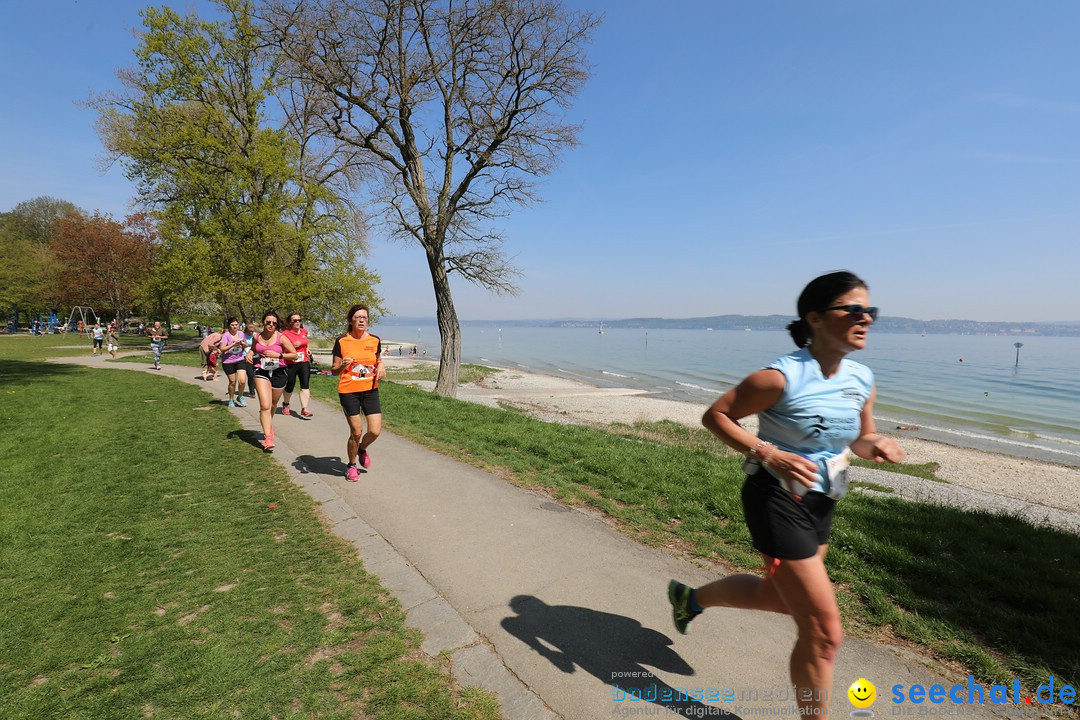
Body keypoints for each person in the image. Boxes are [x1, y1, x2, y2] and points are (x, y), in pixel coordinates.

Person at [666, 271, 904, 718]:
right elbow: (715, 415)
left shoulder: (862, 378)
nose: (866, 318)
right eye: (853, 310)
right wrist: (766, 450)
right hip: (776, 499)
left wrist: (877, 444)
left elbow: (859, 437)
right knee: (823, 632)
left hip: (822, 501)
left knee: (778, 597)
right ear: (814, 318)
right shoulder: (779, 378)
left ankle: (690, 599)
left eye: (870, 310)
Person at [331, 304, 386, 481]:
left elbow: (378, 360)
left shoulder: (375, 340)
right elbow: (333, 370)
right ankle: (351, 465)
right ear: (350, 320)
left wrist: (382, 365)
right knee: (356, 431)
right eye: (358, 317)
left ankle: (362, 448)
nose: (362, 320)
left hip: (370, 390)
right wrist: (342, 366)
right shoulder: (342, 342)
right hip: (349, 391)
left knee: (375, 431)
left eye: (365, 317)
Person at [245, 311, 298, 451]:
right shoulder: (257, 336)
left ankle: (269, 427)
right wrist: (250, 354)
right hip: (261, 371)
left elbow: (294, 355)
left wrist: (279, 355)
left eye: (274, 323)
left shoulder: (281, 338)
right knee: (265, 405)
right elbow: (253, 349)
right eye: (268, 322)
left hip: (279, 372)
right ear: (263, 322)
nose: (271, 325)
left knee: (273, 404)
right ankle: (268, 437)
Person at [281, 312, 314, 418]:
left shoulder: (304, 331)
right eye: (295, 320)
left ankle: (305, 408)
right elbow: (282, 348)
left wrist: (307, 349)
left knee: (305, 384)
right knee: (290, 385)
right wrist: (291, 346)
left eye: (299, 320)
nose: (297, 322)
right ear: (290, 322)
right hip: (291, 363)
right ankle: (286, 404)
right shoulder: (285, 334)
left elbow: (305, 343)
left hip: (303, 361)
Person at [218, 318, 249, 407]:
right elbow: (222, 349)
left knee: (242, 381)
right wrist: (233, 344)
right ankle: (231, 399)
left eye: (236, 324)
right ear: (229, 326)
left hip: (240, 359)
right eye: (232, 325)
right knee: (232, 382)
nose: (235, 326)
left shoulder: (241, 333)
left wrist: (243, 344)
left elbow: (246, 344)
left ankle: (240, 396)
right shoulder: (226, 335)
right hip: (228, 361)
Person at [244, 320, 258, 397]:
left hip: (256, 357)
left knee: (257, 374)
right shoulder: (243, 335)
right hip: (246, 356)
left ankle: (257, 387)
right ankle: (252, 391)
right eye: (249, 331)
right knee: (250, 374)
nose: (250, 333)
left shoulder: (256, 335)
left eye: (252, 332)